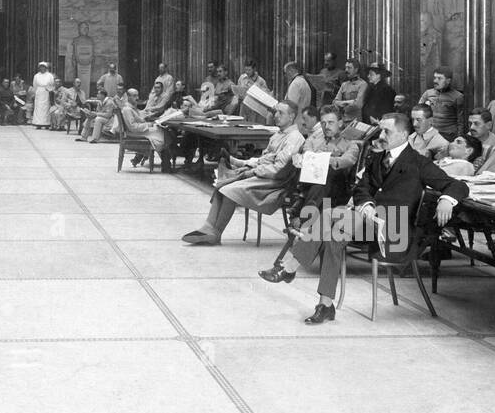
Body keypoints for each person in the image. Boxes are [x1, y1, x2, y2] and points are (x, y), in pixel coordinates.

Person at [261, 111, 469, 324]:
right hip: (365, 222)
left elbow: (457, 185)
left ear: (404, 134)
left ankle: (290, 267)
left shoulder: (418, 162)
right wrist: (367, 204)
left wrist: (446, 200)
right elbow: (362, 188)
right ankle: (325, 304)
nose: (382, 135)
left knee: (337, 221)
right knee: (332, 228)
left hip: (394, 230)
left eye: (387, 131)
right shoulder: (377, 157)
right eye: (381, 130)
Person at [181, 100, 304, 245]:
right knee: (222, 185)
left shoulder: (294, 138)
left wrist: (252, 172)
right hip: (264, 176)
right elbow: (265, 159)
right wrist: (248, 168)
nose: (276, 115)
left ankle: (216, 233)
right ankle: (208, 227)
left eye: (280, 113)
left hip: (274, 184)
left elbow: (279, 169)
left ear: (291, 116)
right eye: (276, 111)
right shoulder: (279, 134)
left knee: (230, 190)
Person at [118, 89, 170, 167]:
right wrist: (148, 125)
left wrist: (148, 116)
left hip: (139, 131)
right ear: (128, 96)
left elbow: (138, 117)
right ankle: (166, 164)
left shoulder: (131, 107)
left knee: (161, 130)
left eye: (137, 95)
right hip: (134, 133)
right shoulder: (127, 109)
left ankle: (166, 163)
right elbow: (133, 127)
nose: (137, 98)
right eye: (134, 96)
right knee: (164, 133)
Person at [418, 66, 463, 140]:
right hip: (430, 136)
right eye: (435, 78)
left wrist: (459, 138)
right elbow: (418, 113)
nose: (435, 81)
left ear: (448, 81)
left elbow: (461, 121)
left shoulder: (458, 96)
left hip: (448, 136)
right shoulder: (427, 94)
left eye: (439, 78)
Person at [467, 109, 495, 174]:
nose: (471, 127)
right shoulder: (462, 141)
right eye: (470, 124)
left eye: (476, 124)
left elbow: (494, 175)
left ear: (489, 125)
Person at [31, 61, 56, 129]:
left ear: (46, 68)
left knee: (46, 107)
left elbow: (52, 84)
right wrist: (35, 93)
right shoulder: (36, 76)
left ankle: (46, 123)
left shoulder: (50, 75)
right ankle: (38, 123)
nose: (42, 68)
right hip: (39, 92)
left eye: (44, 67)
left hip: (46, 92)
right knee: (38, 108)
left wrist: (49, 91)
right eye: (41, 67)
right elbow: (34, 85)